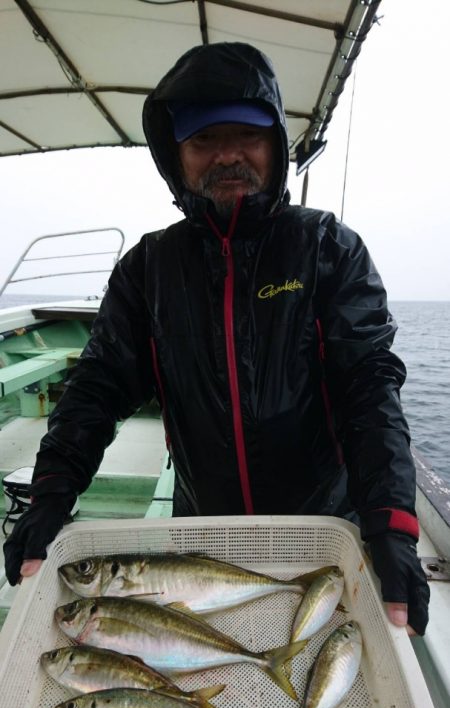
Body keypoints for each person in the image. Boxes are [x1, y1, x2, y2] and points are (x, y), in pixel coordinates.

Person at [3, 42, 429, 640]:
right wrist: (52, 492)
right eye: (204, 140)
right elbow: (96, 390)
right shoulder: (147, 269)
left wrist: (390, 524)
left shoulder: (328, 248)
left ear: (276, 146)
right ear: (176, 156)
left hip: (325, 525)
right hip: (202, 529)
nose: (228, 155)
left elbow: (368, 387)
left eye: (247, 135)